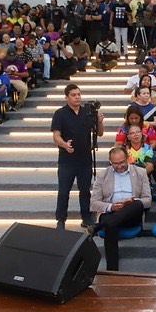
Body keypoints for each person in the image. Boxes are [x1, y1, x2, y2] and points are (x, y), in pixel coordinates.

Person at [51, 83, 104, 230]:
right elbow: (56, 135)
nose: (77, 97)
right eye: (73, 95)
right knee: (63, 191)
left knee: (85, 191)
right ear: (66, 97)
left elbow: (100, 133)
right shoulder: (60, 113)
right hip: (67, 160)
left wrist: (99, 122)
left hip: (85, 158)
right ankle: (61, 219)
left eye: (79, 94)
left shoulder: (88, 112)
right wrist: (64, 144)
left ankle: (86, 217)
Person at [89, 146, 151, 271]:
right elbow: (94, 203)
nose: (119, 166)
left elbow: (147, 200)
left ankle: (100, 226)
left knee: (137, 204)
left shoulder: (140, 172)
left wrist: (130, 202)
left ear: (128, 158)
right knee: (111, 224)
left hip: (131, 214)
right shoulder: (102, 175)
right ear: (110, 162)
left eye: (122, 162)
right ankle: (112, 270)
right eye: (115, 163)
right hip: (110, 213)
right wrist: (111, 207)